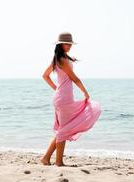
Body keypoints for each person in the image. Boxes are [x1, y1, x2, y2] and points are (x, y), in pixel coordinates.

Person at [41, 32, 102, 167]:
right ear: (60, 44)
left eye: (70, 44)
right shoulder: (62, 59)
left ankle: (46, 158)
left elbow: (45, 76)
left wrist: (56, 89)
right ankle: (58, 162)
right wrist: (85, 92)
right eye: (66, 44)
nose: (69, 46)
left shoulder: (58, 59)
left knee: (62, 130)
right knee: (63, 131)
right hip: (63, 99)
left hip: (61, 98)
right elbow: (74, 78)